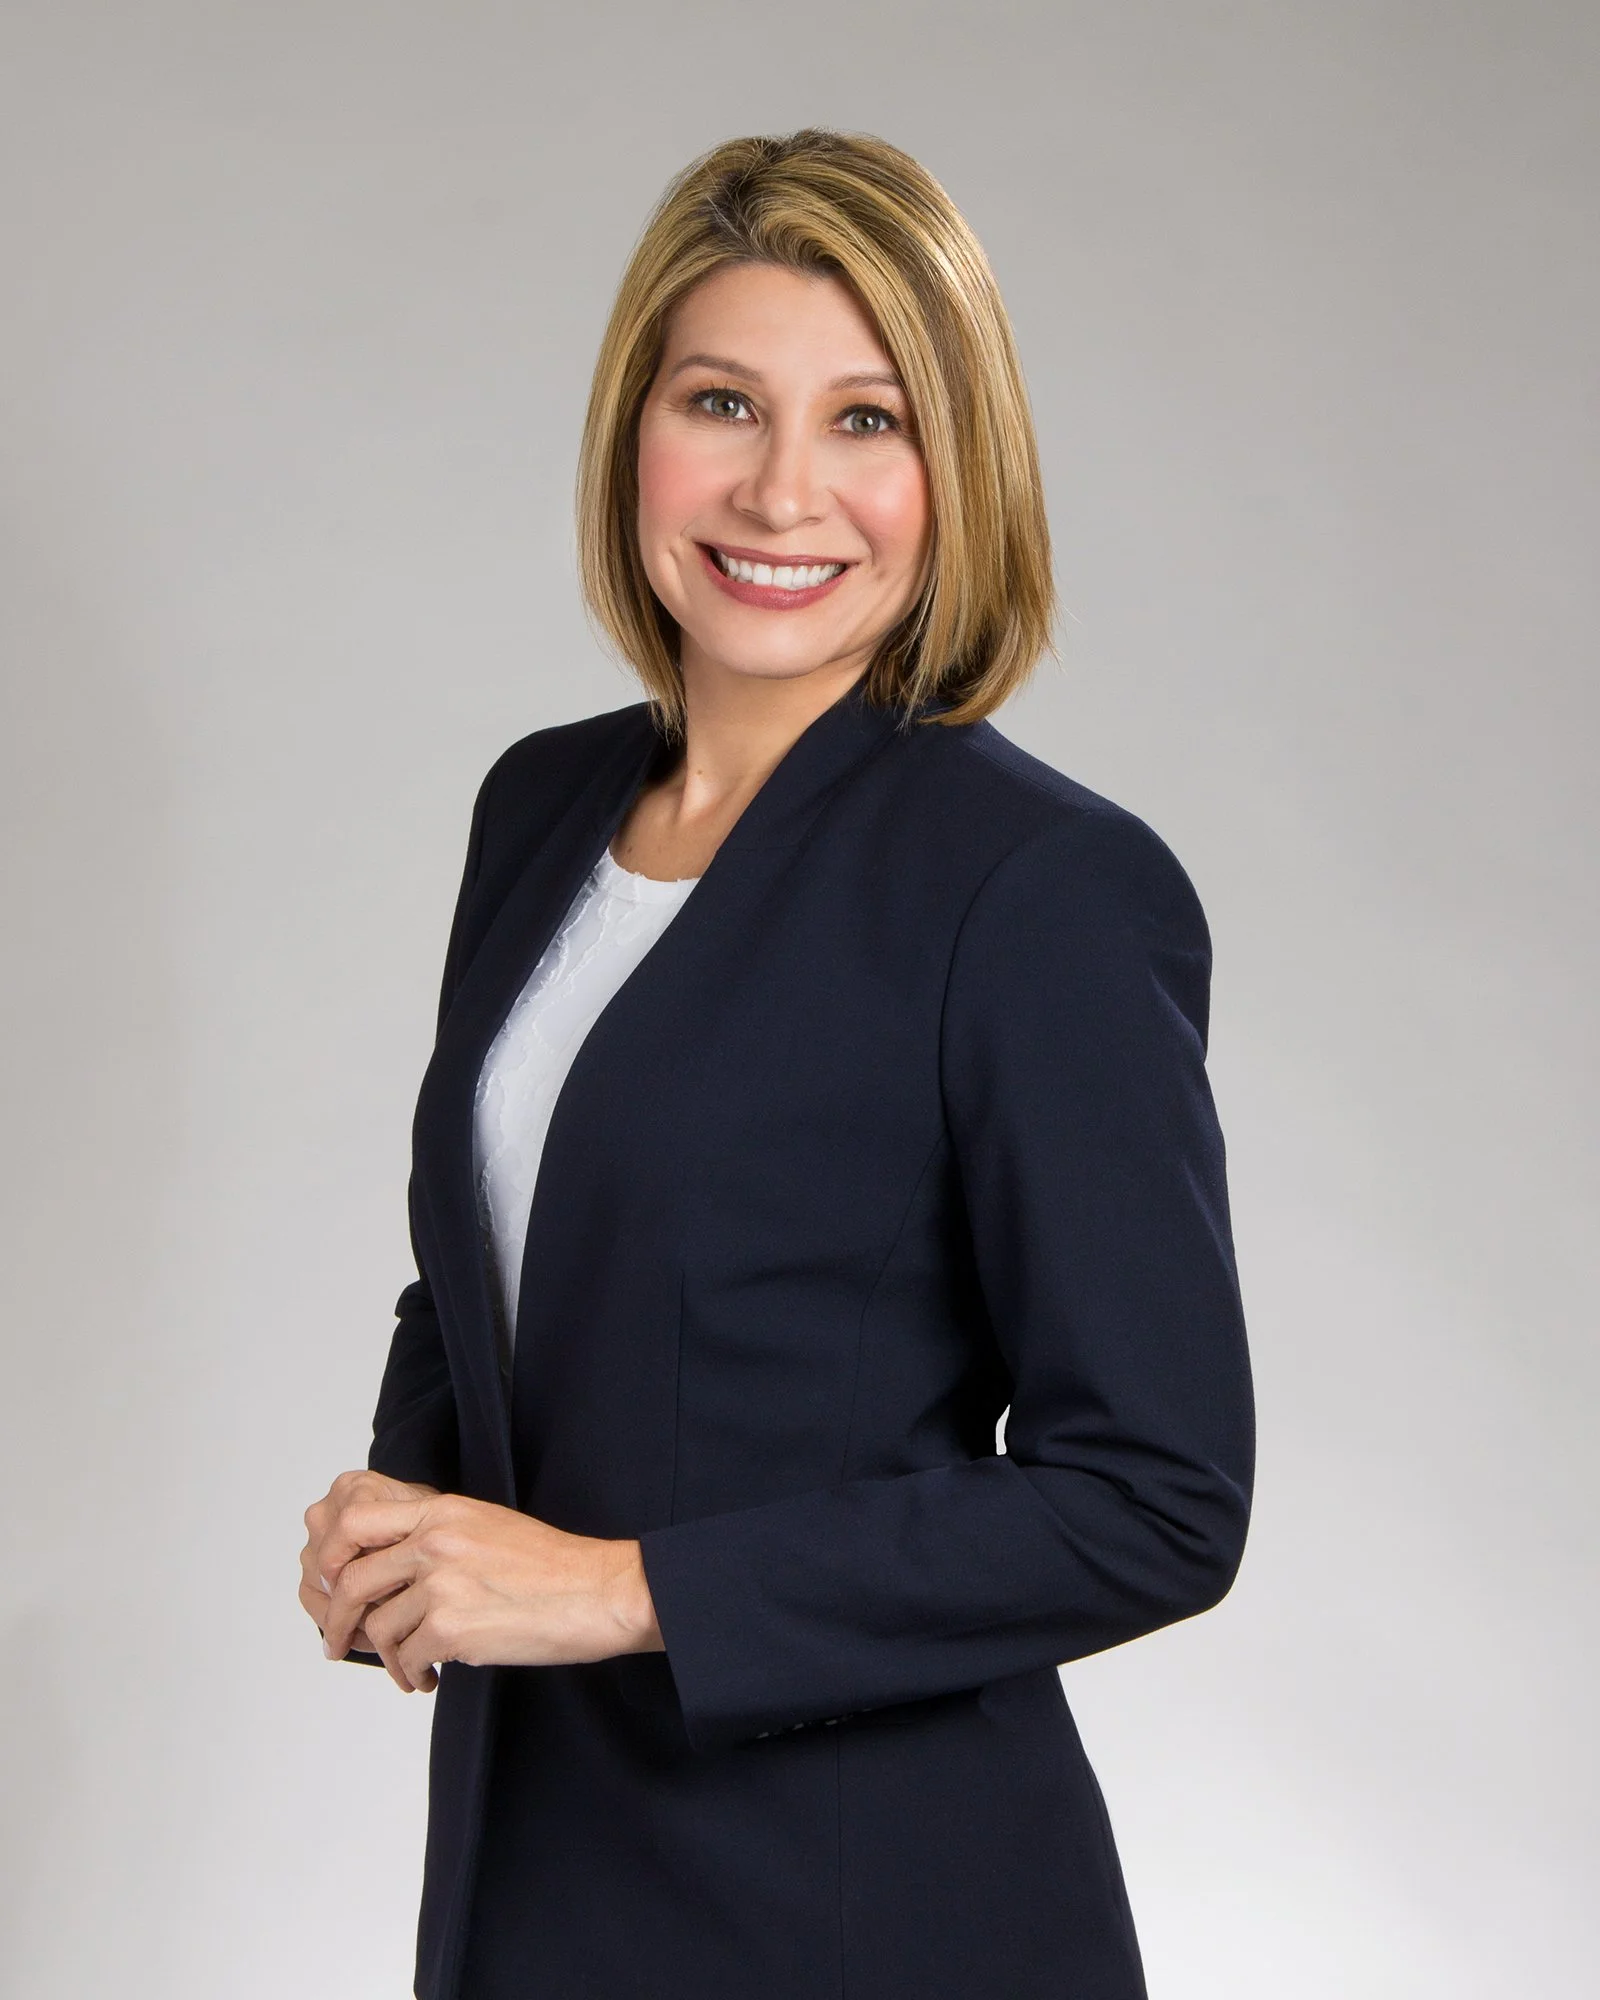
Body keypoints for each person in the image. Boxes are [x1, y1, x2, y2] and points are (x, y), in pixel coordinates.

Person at [299, 127, 1254, 2000]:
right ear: (631, 431)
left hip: (863, 1907)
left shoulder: (1040, 889)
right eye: (723, 400)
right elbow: (507, 1249)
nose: (782, 489)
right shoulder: (541, 806)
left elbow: (1155, 1493)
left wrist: (612, 1586)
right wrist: (405, 1513)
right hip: (532, 1878)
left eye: (868, 422)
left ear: (954, 469)